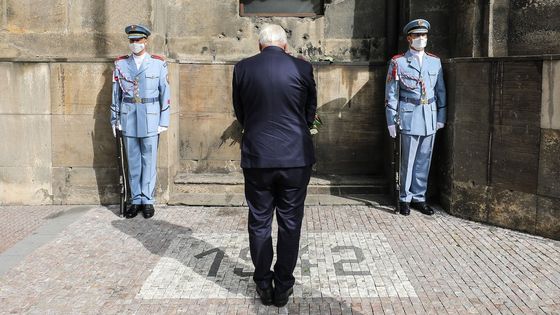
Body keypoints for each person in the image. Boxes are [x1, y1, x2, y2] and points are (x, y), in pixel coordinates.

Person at [232, 24, 317, 307]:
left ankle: (262, 283)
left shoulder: (243, 69)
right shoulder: (302, 69)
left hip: (258, 156)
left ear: (260, 46)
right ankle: (283, 287)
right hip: (295, 157)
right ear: (285, 45)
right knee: (290, 223)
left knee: (259, 221)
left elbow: (241, 112)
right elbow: (309, 112)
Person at [385, 19, 446, 216]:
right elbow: (392, 93)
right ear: (409, 38)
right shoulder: (399, 62)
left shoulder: (435, 61)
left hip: (430, 115)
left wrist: (441, 116)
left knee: (423, 160)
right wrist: (391, 120)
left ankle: (419, 197)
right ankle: (404, 197)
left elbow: (441, 91)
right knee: (407, 161)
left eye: (424, 35)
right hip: (408, 116)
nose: (421, 39)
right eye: (417, 35)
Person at [110, 24, 170, 219]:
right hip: (128, 117)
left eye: (138, 40)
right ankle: (135, 199)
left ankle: (148, 200)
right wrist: (115, 119)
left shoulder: (158, 64)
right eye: (132, 41)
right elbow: (115, 95)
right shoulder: (120, 65)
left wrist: (164, 119)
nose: (135, 44)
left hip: (151, 117)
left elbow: (165, 93)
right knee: (133, 160)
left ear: (146, 40)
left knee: (149, 160)